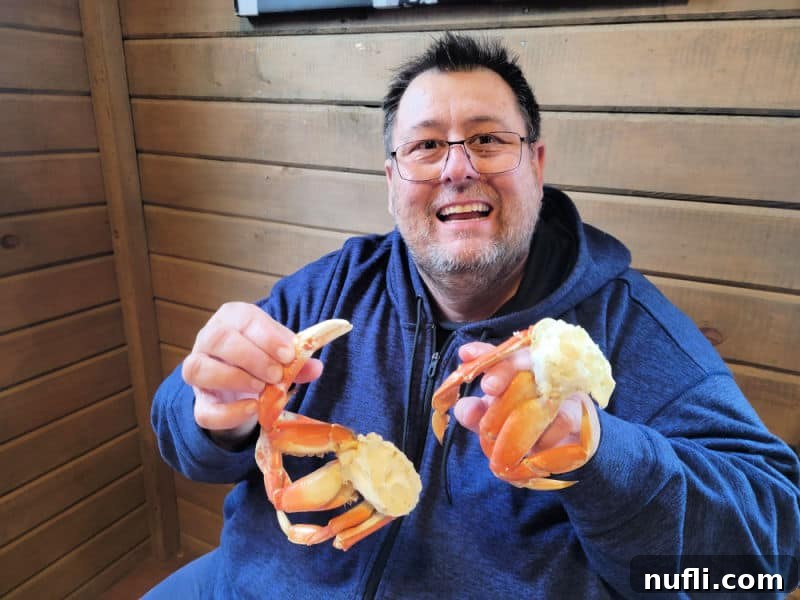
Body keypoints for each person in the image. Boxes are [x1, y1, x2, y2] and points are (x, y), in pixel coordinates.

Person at [148, 33, 800, 598]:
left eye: (487, 140)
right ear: (392, 178)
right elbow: (180, 436)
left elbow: (769, 562)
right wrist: (208, 414)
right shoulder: (324, 294)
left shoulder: (633, 334)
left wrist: (605, 458)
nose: (458, 168)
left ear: (537, 165)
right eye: (426, 147)